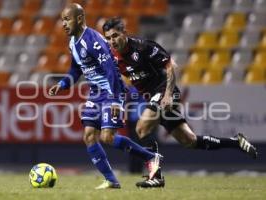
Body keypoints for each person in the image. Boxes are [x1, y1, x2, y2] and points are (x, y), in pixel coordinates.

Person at [102, 17, 258, 188]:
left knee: (141, 127)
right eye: (108, 38)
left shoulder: (143, 46)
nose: (112, 41)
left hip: (165, 91)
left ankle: (156, 176)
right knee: (189, 141)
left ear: (124, 32)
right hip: (152, 96)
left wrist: (168, 94)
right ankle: (236, 142)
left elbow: (170, 66)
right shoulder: (114, 58)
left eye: (115, 36)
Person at [48, 4, 161, 190]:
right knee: (89, 136)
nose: (63, 24)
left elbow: (110, 69)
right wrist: (62, 85)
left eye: (67, 19)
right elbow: (76, 70)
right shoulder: (72, 43)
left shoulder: (92, 40)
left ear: (79, 18)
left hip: (111, 90)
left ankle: (150, 157)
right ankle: (111, 180)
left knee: (108, 137)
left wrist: (116, 99)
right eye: (62, 20)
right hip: (95, 93)